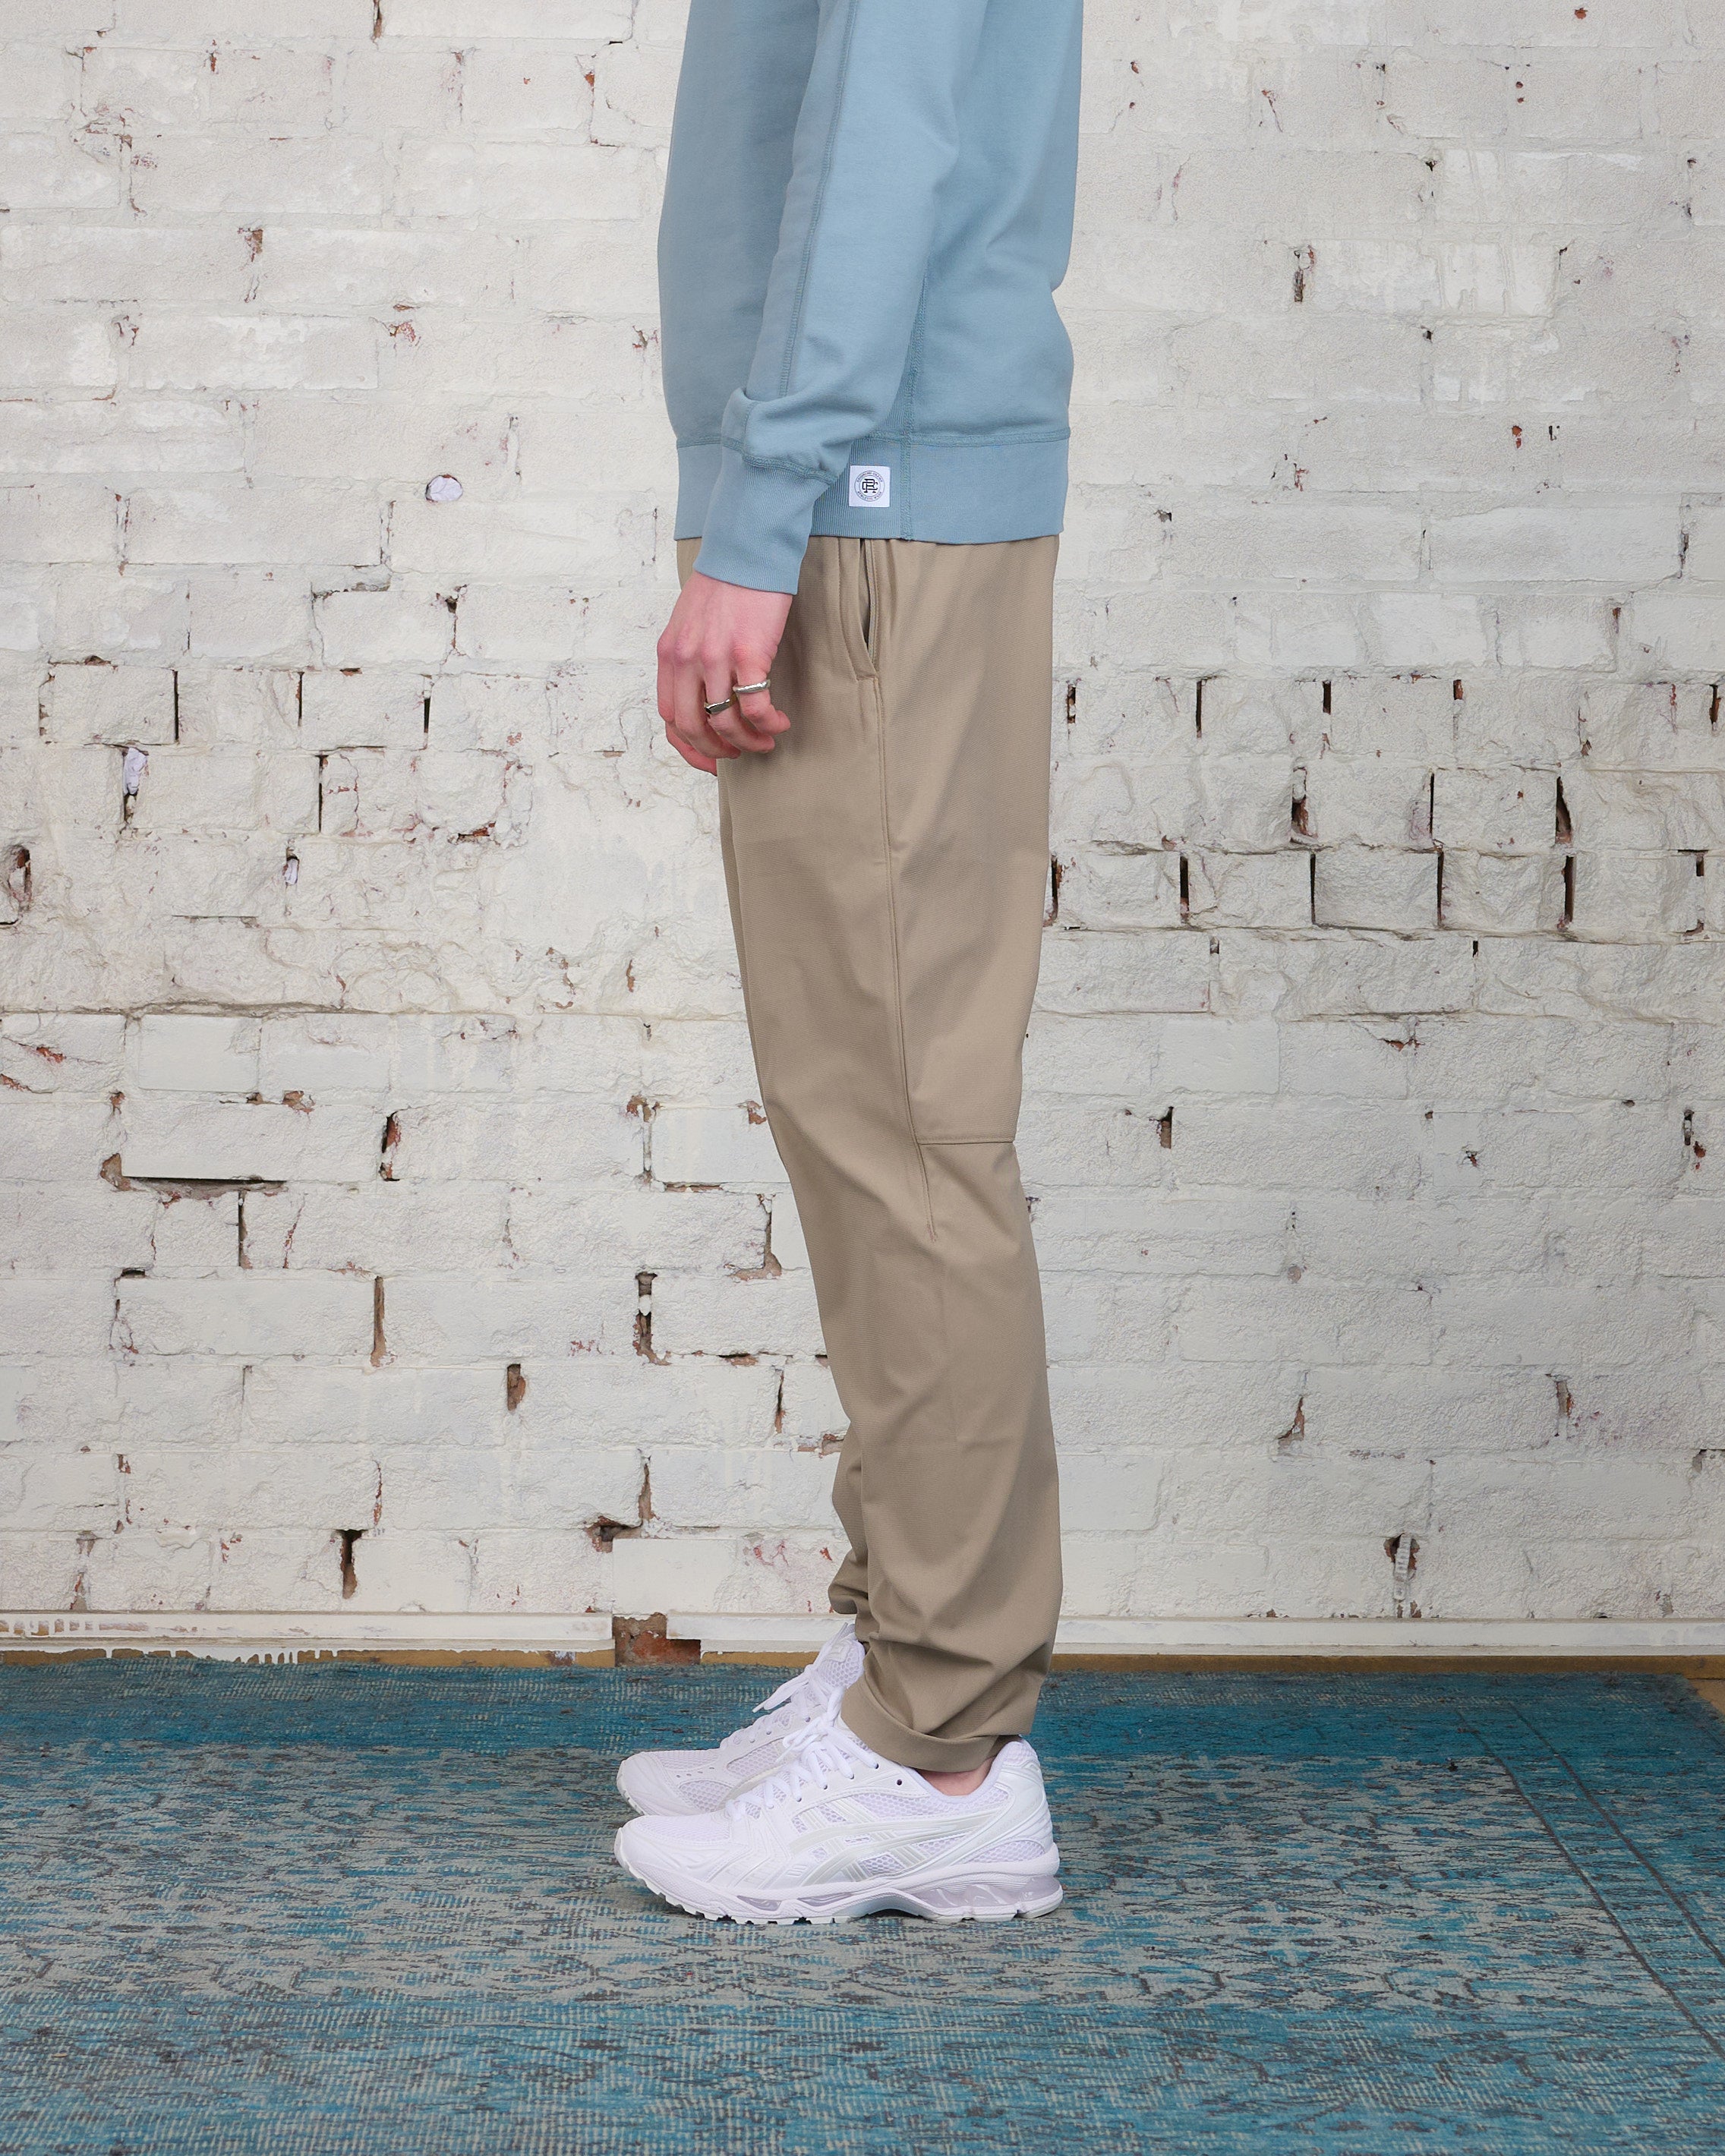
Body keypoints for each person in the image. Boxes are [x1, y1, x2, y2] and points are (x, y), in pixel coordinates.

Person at [613, 0, 1084, 1927]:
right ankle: (902, 1656)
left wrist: (766, 504)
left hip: (867, 492)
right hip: (875, 479)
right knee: (867, 1109)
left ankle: (940, 1748)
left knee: (900, 1126)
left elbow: (878, 148)